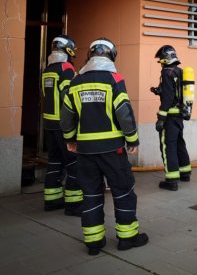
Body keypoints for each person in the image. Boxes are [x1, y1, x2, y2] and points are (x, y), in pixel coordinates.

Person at [60, 38, 148, 255]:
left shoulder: (76, 81)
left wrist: (71, 140)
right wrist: (132, 139)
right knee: (123, 190)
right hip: (112, 150)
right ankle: (127, 237)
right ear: (111, 55)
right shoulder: (114, 79)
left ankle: (93, 242)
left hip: (85, 151)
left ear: (90, 55)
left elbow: (67, 116)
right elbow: (124, 112)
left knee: (90, 193)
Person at [41, 35, 83, 216]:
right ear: (68, 49)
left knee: (54, 161)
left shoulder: (47, 70)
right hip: (63, 124)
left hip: (48, 124)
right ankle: (74, 205)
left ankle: (52, 200)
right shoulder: (66, 69)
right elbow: (69, 97)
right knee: (74, 163)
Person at [151, 45, 191, 191]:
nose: (160, 63)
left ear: (166, 59)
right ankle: (185, 173)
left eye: (161, 60)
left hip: (170, 117)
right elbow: (175, 93)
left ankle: (171, 180)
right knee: (180, 143)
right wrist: (158, 91)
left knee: (168, 146)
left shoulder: (167, 72)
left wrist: (160, 118)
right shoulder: (179, 72)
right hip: (179, 115)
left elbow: (168, 98)